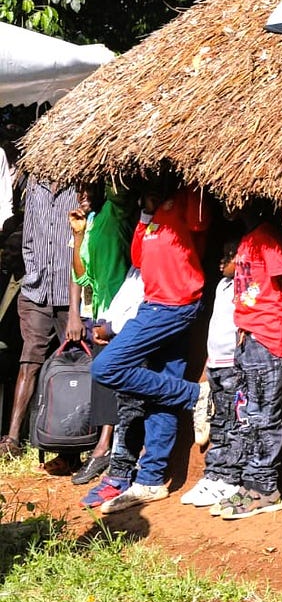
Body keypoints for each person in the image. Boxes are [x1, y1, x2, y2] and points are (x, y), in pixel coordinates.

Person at [89, 177, 212, 513]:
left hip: (174, 305)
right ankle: (151, 480)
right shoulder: (155, 214)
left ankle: (195, 394)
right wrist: (146, 213)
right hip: (154, 303)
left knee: (105, 366)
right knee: (161, 391)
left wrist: (193, 182)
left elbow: (201, 220)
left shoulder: (189, 197)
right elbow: (138, 258)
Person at [212, 215, 282, 519]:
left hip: (269, 336)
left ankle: (265, 491)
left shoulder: (267, 239)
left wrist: (265, 308)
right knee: (248, 415)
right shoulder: (248, 241)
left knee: (262, 416)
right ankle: (250, 485)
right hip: (249, 337)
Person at [0, 176, 78, 467]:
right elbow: (29, 235)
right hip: (37, 289)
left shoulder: (79, 185)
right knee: (28, 361)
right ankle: (11, 438)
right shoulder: (35, 184)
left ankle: (69, 447)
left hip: (70, 292)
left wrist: (74, 302)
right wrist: (32, 273)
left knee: (72, 366)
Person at [67, 185, 135, 485]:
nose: (82, 194)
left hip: (121, 308)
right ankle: (105, 447)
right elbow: (80, 275)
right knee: (102, 377)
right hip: (99, 310)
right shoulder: (90, 219)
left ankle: (107, 447)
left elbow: (120, 189)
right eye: (78, 190)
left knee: (114, 376)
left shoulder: (112, 210)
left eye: (87, 187)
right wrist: (79, 233)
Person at [178, 238, 243, 508]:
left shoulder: (243, 288)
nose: (222, 260)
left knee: (233, 422)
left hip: (233, 364)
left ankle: (230, 479)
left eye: (229, 255)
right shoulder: (222, 285)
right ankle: (214, 475)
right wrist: (208, 366)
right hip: (216, 363)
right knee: (218, 422)